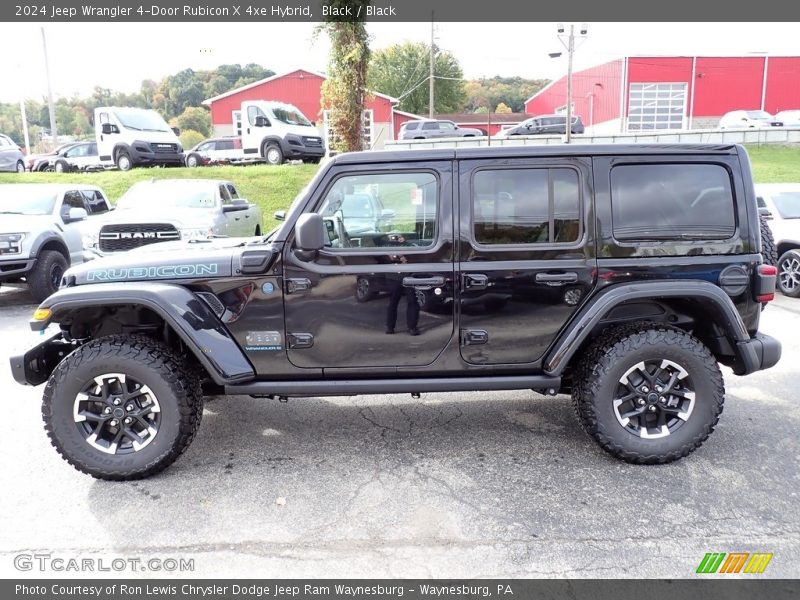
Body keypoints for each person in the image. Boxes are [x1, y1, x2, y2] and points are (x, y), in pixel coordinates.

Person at [384, 233, 420, 336]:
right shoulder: (387, 246)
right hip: (393, 277)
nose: (397, 239)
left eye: (399, 237)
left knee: (412, 302)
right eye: (394, 237)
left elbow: (417, 257)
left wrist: (407, 259)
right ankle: (390, 326)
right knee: (393, 302)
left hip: (408, 277)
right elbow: (382, 258)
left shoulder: (409, 246)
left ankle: (412, 327)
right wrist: (390, 257)